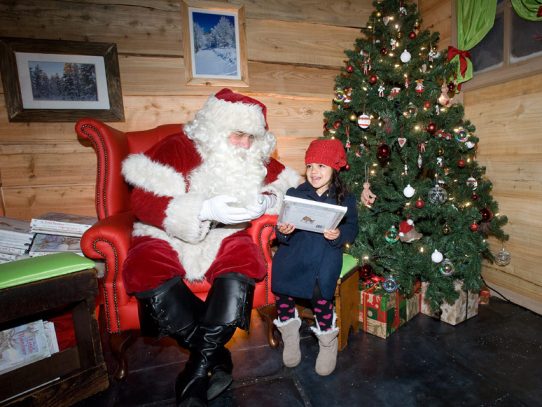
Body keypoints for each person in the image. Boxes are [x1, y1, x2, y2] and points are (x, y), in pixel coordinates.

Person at [120, 88, 300, 406]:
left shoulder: (255, 159)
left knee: (245, 260)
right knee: (146, 268)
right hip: (165, 232)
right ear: (215, 128)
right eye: (238, 134)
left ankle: (196, 370)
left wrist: (270, 200)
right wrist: (203, 210)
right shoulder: (177, 147)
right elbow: (141, 200)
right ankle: (216, 358)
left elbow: (293, 188)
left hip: (224, 234)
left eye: (252, 137)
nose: (245, 144)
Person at [271, 138, 359, 376]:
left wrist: (339, 234)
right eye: (310, 166)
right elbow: (280, 226)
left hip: (325, 251)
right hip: (296, 249)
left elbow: (352, 227)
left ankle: (327, 342)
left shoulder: (345, 198)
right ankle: (290, 336)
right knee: (281, 282)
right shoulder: (295, 193)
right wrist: (283, 231)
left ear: (334, 169)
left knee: (321, 294)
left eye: (321, 166)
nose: (314, 171)